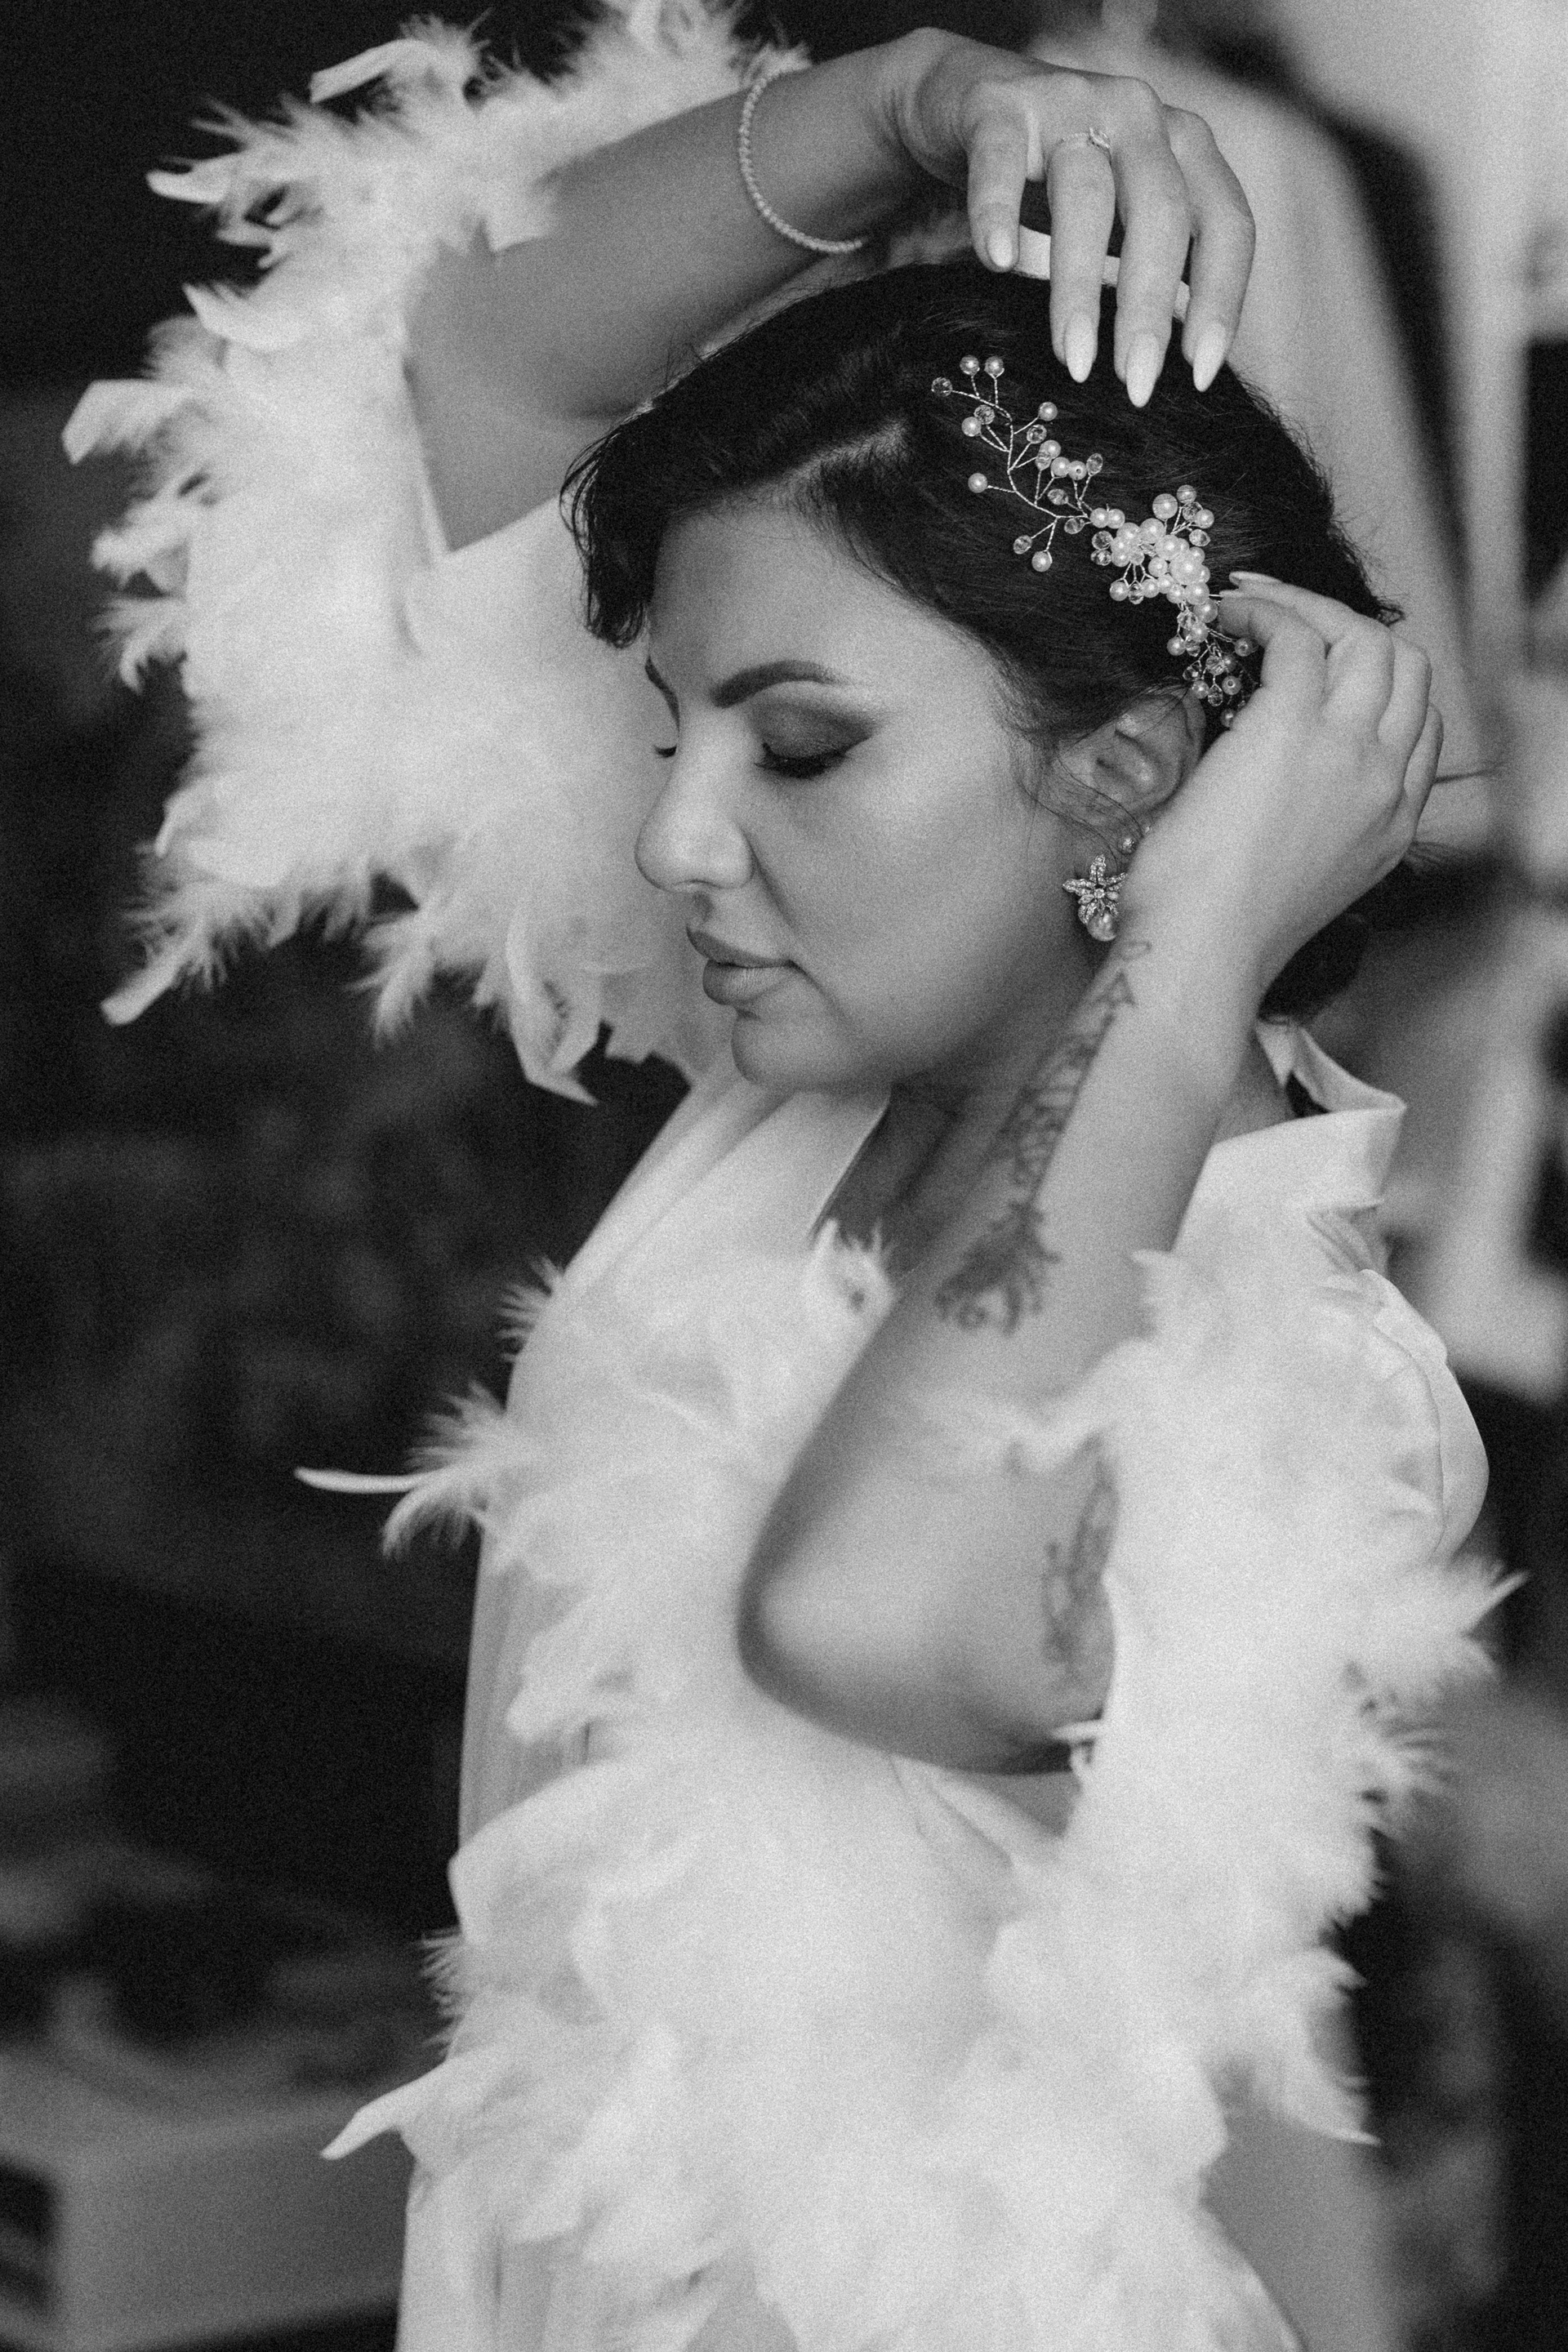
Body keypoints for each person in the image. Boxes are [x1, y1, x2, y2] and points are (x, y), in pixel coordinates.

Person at [66, 9, 1502, 2348]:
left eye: (802, 747)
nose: (675, 835)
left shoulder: (1294, 1366)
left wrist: (1196, 946)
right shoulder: (821, 1069)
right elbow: (472, 356)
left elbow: (861, 1619)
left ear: (1135, 775)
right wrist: (913, 104)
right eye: (675, 725)